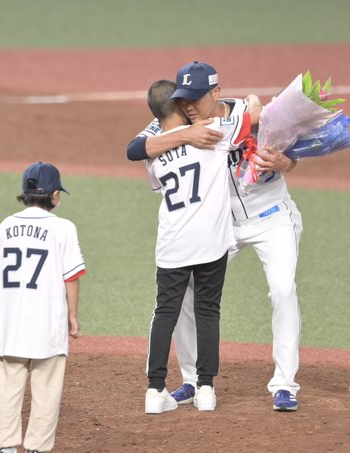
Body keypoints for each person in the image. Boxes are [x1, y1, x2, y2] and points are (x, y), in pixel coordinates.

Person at [128, 61, 302, 412]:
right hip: (221, 226)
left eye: (195, 98)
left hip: (271, 216)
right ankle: (193, 380)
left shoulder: (247, 115)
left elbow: (293, 154)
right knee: (187, 294)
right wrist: (185, 135)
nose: (188, 106)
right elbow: (135, 147)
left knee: (283, 289)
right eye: (183, 99)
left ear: (216, 93)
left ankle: (284, 384)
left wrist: (284, 163)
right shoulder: (180, 121)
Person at [142, 80, 259, 414]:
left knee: (165, 313)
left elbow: (154, 179)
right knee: (208, 311)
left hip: (172, 244)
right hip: (210, 242)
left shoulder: (153, 152)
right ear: (180, 107)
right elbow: (253, 115)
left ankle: (155, 391)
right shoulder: (213, 133)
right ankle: (205, 389)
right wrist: (252, 98)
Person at [0, 162, 86, 453]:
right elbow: (71, 277)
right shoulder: (63, 228)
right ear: (54, 195)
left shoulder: (6, 226)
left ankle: (6, 447)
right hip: (47, 324)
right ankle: (37, 447)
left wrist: (9, 305)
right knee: (47, 388)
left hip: (11, 324)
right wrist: (73, 315)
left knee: (9, 386)